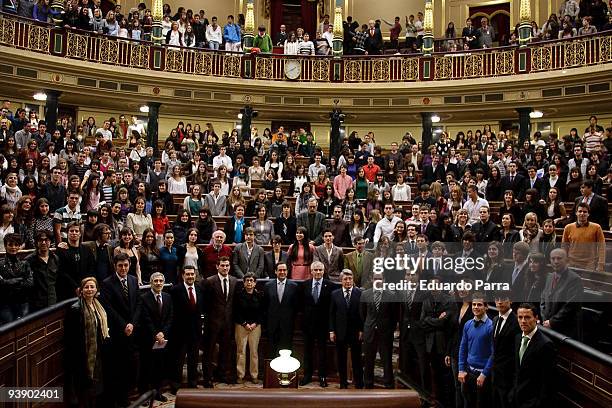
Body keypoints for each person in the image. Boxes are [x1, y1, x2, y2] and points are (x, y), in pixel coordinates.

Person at [100, 253, 141, 408]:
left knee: (129, 367)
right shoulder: (107, 283)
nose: (123, 268)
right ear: (115, 266)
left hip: (131, 331)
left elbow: (138, 304)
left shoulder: (133, 279)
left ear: (129, 265)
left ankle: (125, 397)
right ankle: (116, 399)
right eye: (120, 266)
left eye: (126, 265)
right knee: (116, 368)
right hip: (117, 332)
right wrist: (124, 325)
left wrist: (132, 324)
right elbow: (108, 309)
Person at [64, 277, 110, 407]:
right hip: (83, 354)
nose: (89, 290)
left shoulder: (97, 304)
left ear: (96, 290)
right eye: (86, 287)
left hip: (98, 351)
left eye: (92, 287)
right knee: (86, 387)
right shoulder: (75, 309)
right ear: (81, 290)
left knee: (97, 384)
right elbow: (71, 338)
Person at [510, 303, 556, 408]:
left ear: (536, 318)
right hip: (516, 399)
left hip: (532, 403)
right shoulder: (517, 338)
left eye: (527, 317)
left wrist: (536, 403)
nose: (523, 321)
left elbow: (547, 382)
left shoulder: (546, 344)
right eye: (520, 317)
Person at [202, 256, 238, 385]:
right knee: (209, 351)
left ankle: (221, 374)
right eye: (222, 265)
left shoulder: (234, 281)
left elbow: (233, 303)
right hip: (212, 322)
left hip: (228, 322)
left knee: (225, 350)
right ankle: (207, 377)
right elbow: (205, 304)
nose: (225, 268)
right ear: (217, 266)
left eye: (227, 265)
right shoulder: (209, 281)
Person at [138, 272, 172, 403]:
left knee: (160, 367)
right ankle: (144, 395)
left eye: (160, 281)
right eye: (155, 281)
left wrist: (163, 333)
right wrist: (155, 334)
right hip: (148, 339)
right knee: (146, 368)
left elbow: (170, 317)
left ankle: (157, 392)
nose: (158, 283)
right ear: (151, 283)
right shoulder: (144, 298)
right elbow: (145, 319)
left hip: (162, 340)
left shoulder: (168, 297)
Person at [170, 265, 205, 390]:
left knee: (193, 359)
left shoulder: (200, 289)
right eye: (188, 274)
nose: (190, 276)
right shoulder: (175, 290)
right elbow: (172, 313)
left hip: (195, 332)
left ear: (195, 275)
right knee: (178, 360)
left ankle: (192, 383)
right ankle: (176, 385)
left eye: (192, 274)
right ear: (183, 275)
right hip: (180, 332)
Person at [299, 261, 334, 387]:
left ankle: (322, 376)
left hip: (323, 325)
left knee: (322, 351)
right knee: (307, 351)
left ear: (324, 271)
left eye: (320, 270)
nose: (318, 272)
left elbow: (331, 308)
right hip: (307, 325)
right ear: (311, 271)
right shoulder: (305, 285)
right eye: (316, 270)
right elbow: (300, 305)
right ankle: (307, 376)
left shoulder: (330, 285)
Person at [360, 273, 396, 389]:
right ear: (371, 279)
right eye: (375, 278)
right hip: (369, 332)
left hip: (385, 333)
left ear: (384, 279)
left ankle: (388, 384)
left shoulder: (391, 295)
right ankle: (368, 384)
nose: (377, 280)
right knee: (369, 360)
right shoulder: (365, 294)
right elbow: (362, 314)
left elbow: (394, 316)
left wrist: (390, 330)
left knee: (386, 361)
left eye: (380, 278)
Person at [329, 269, 364, 389]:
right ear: (341, 281)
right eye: (345, 279)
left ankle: (359, 383)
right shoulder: (335, 294)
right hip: (340, 332)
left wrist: (361, 330)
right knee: (341, 359)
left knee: (357, 359)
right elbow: (331, 314)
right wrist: (332, 331)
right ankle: (343, 383)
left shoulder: (360, 293)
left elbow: (362, 314)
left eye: (350, 279)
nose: (348, 281)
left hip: (356, 332)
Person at [458, 292, 493, 408]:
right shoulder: (468, 324)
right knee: (467, 403)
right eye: (474, 305)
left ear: (486, 307)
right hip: (468, 373)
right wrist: (461, 369)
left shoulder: (491, 326)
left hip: (483, 375)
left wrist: (484, 373)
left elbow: (493, 353)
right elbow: (463, 348)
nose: (476, 307)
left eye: (479, 305)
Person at [540, 248, 584, 340]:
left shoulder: (574, 279)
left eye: (559, 258)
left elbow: (570, 306)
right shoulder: (550, 277)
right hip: (548, 326)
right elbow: (543, 298)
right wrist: (544, 318)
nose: (556, 261)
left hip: (566, 331)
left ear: (567, 260)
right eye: (553, 258)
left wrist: (552, 322)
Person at [491, 292, 521, 408]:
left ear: (511, 300)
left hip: (508, 377)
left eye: (503, 299)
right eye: (497, 299)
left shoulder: (517, 322)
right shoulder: (495, 319)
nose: (499, 302)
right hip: (495, 375)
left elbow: (517, 353)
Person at [233, 272, 263, 384]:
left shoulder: (260, 295)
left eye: (252, 280)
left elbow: (262, 312)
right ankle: (240, 375)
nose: (249, 282)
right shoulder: (238, 295)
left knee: (254, 352)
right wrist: (245, 323)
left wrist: (255, 324)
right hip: (241, 326)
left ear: (255, 283)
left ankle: (254, 375)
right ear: (244, 283)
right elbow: (236, 312)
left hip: (255, 326)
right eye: (247, 280)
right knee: (241, 351)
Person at [263, 262, 298, 358]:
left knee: (286, 350)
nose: (282, 272)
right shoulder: (268, 286)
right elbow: (265, 305)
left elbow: (296, 307)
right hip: (272, 324)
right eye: (280, 270)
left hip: (287, 325)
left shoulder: (294, 286)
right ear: (275, 271)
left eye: (284, 270)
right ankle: (271, 373)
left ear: (287, 271)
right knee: (271, 350)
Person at [561, 202, 606, 273]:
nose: (582, 213)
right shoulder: (568, 227)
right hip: (572, 263)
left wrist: (601, 264)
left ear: (588, 214)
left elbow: (602, 247)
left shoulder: (597, 227)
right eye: (580, 211)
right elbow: (564, 246)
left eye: (585, 212)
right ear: (576, 213)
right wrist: (564, 261)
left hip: (590, 264)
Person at [0, 233, 33, 324]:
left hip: (22, 301)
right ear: (5, 246)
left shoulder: (24, 263)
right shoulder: (0, 264)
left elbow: (30, 282)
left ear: (19, 246)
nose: (13, 247)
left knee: (23, 328)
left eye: (16, 245)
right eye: (10, 244)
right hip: (5, 303)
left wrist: (7, 282)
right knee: (8, 329)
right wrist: (17, 281)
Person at [27, 230, 60, 312]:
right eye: (41, 240)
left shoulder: (55, 258)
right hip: (36, 303)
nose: (44, 242)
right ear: (36, 242)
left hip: (53, 300)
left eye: (46, 240)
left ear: (50, 242)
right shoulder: (29, 260)